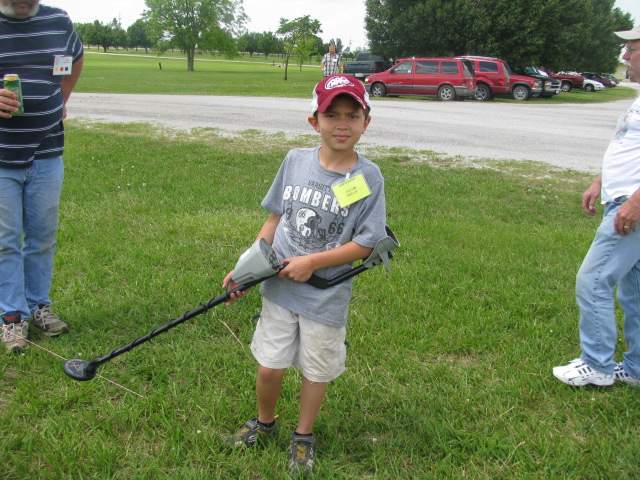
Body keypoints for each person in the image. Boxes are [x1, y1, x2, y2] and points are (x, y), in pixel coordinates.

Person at [223, 74, 387, 473]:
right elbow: (274, 218)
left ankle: (303, 434)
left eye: (353, 115)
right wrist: (248, 269)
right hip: (279, 290)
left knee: (316, 371)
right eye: (332, 115)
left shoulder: (368, 179)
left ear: (368, 121)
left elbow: (366, 244)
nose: (342, 124)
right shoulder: (295, 161)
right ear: (315, 121)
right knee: (269, 365)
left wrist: (312, 262)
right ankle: (264, 423)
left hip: (323, 298)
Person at [553, 26, 640, 387]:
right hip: (621, 198)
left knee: (593, 279)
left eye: (631, 49)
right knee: (634, 290)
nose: (624, 56)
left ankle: (598, 364)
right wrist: (599, 182)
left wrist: (635, 202)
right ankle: (636, 369)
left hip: (631, 205)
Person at [0, 0, 84, 353]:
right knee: (5, 240)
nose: (24, 2)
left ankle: (38, 307)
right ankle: (11, 318)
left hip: (48, 151)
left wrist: (62, 97)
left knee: (43, 236)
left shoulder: (58, 21)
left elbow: (75, 60)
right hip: (3, 156)